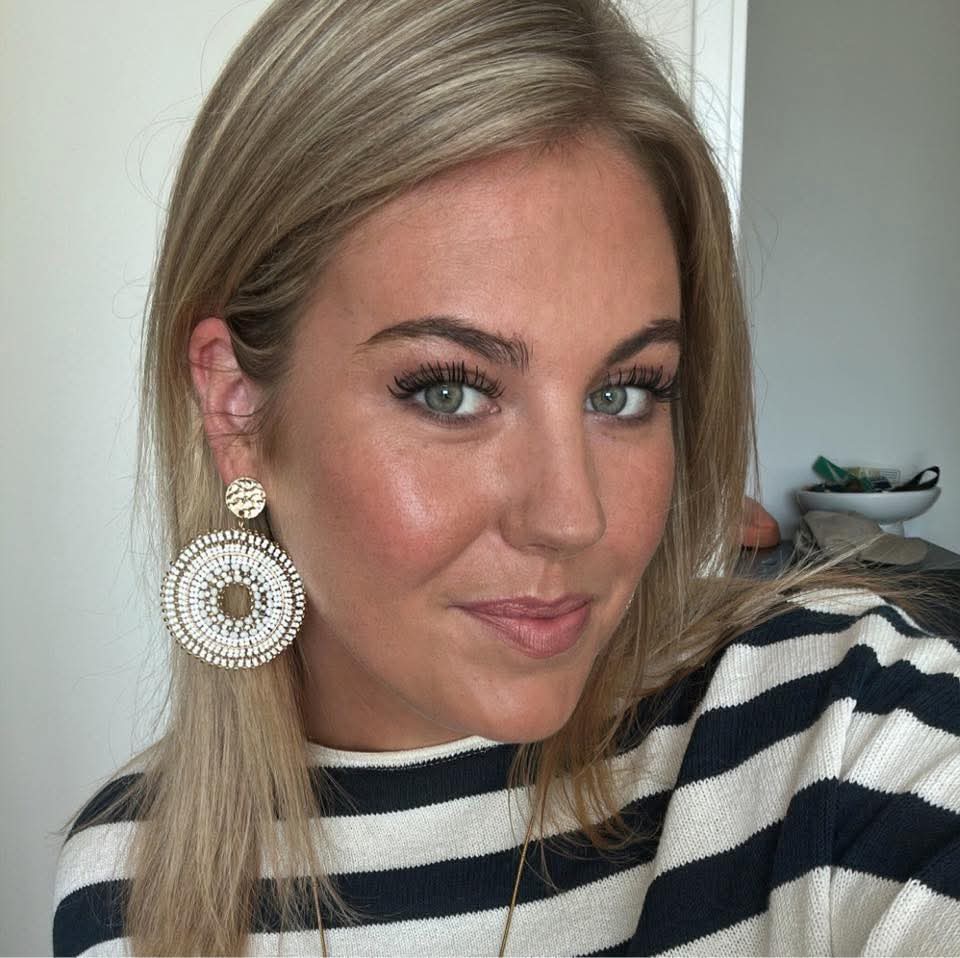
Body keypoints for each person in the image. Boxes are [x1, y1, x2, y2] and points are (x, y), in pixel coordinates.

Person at [51, 1, 960, 955]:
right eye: (450, 393)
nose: (571, 517)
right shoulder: (126, 888)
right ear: (237, 405)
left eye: (623, 393)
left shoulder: (841, 734)